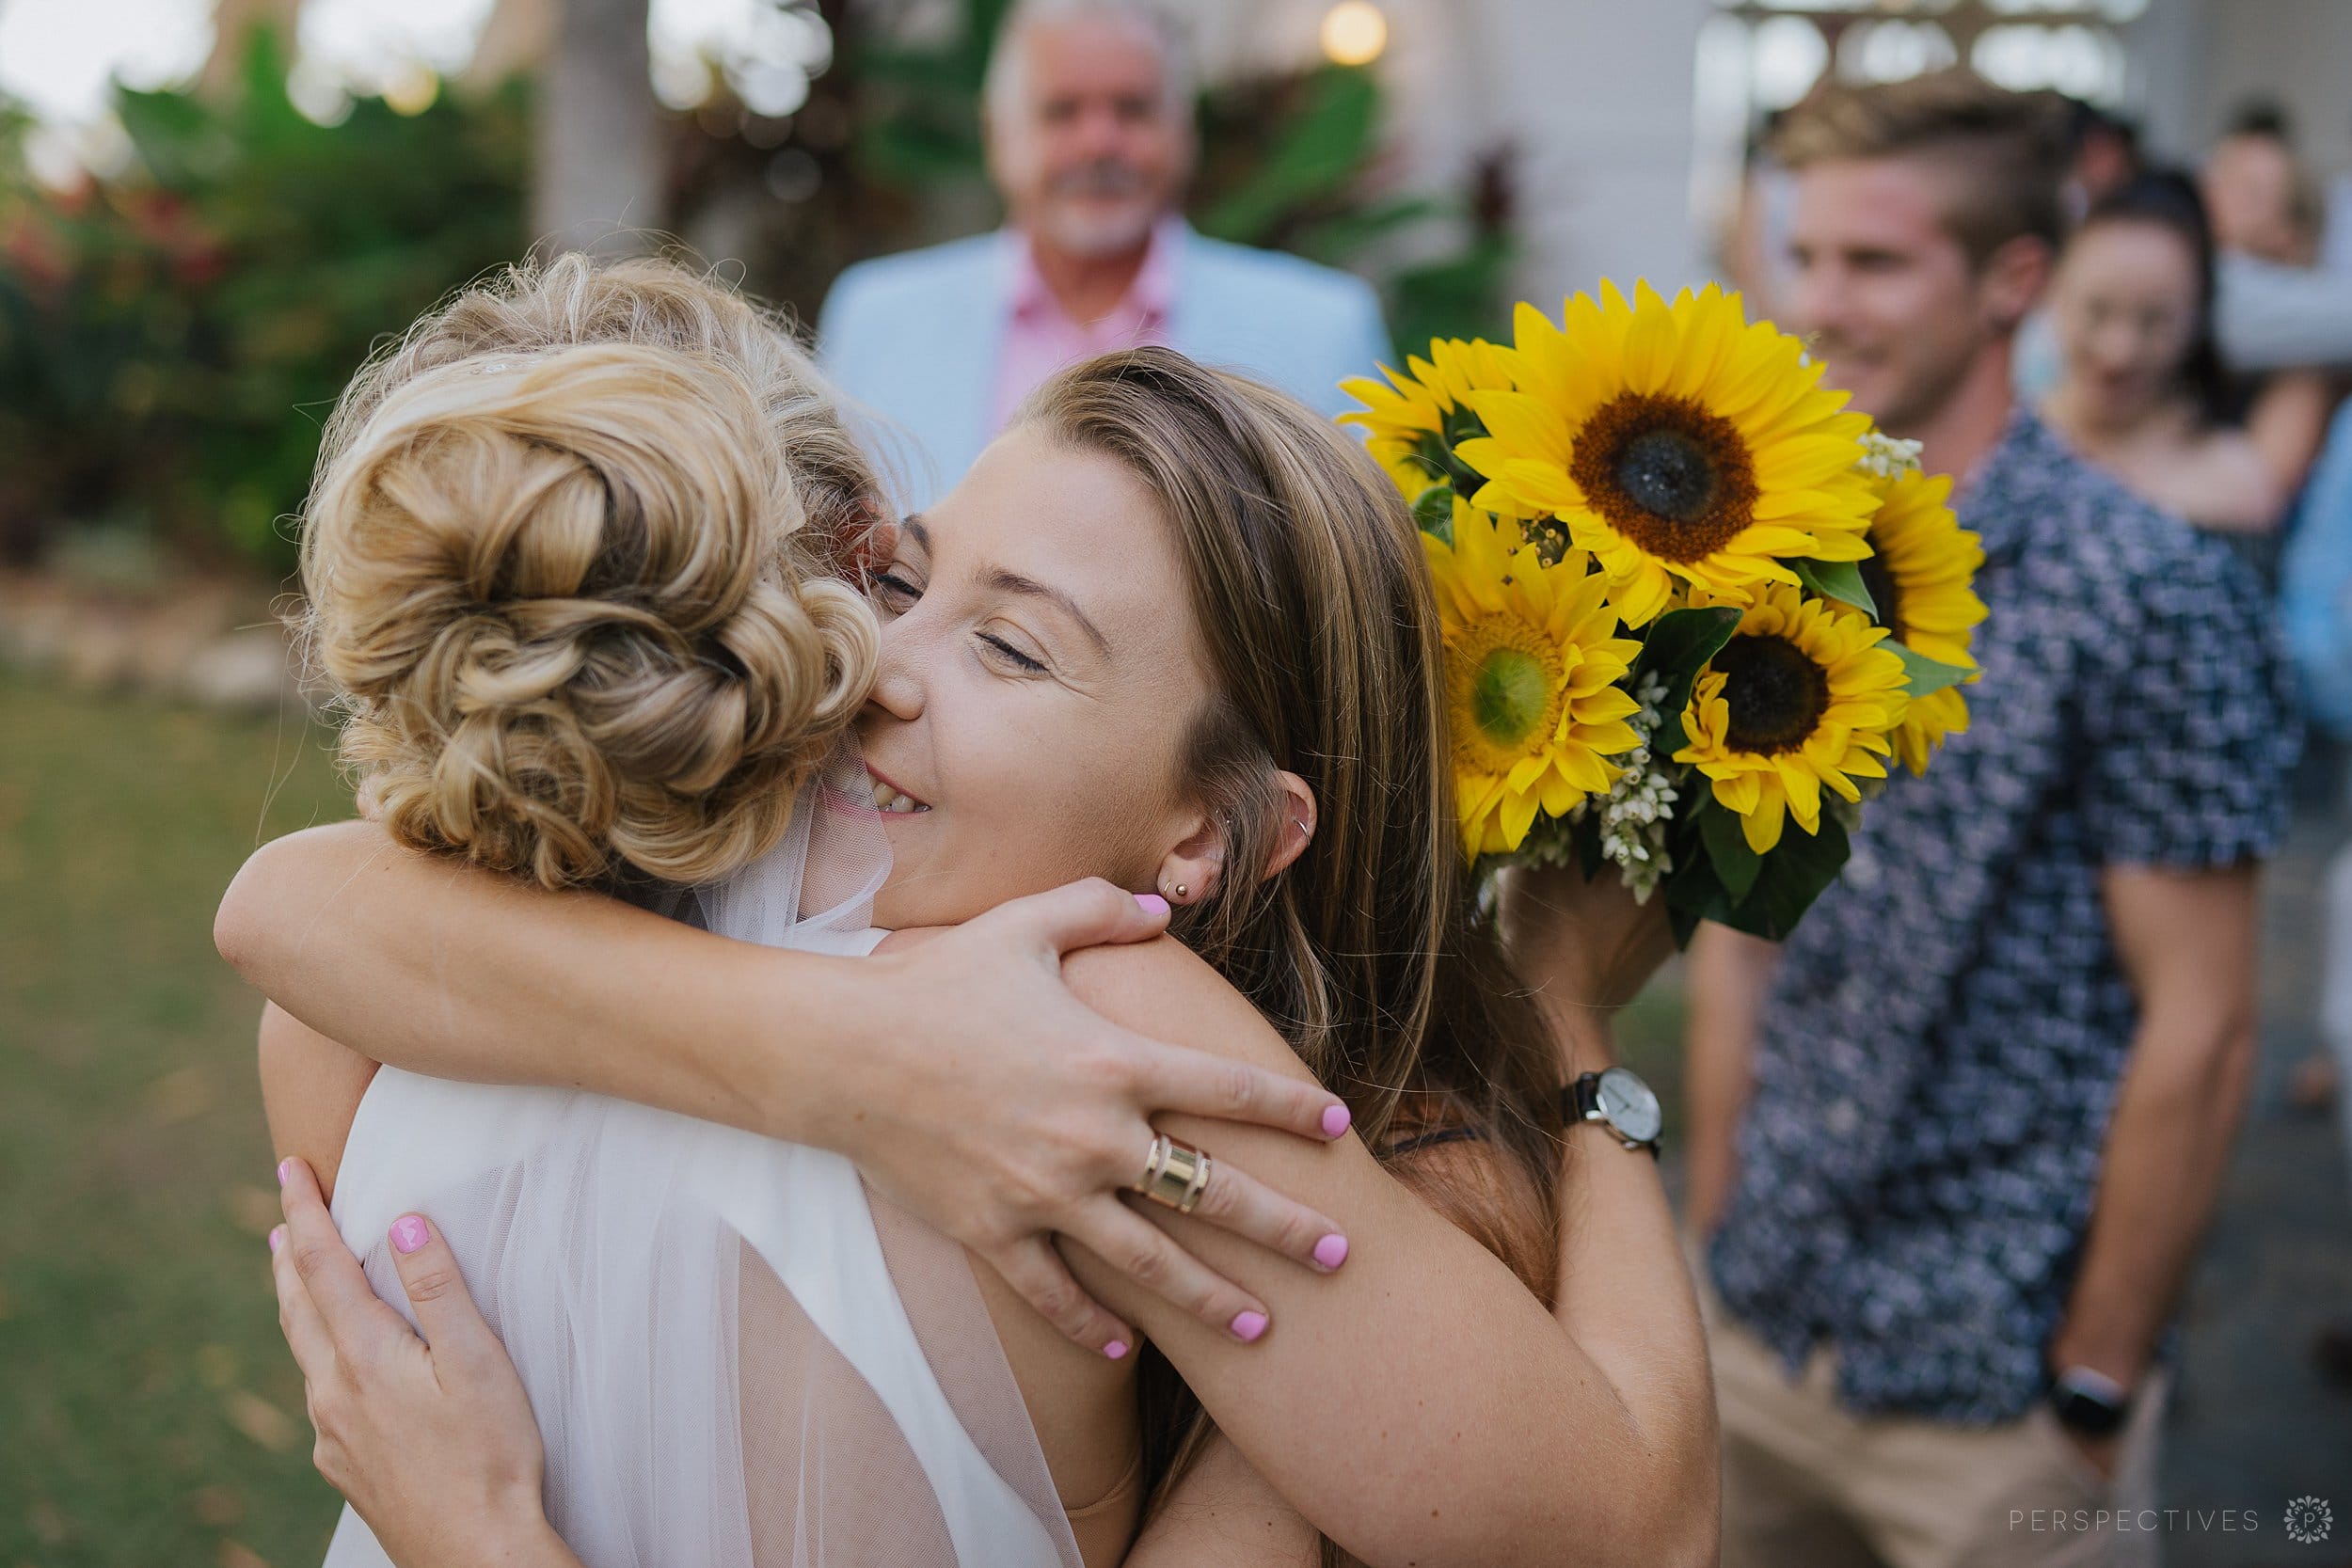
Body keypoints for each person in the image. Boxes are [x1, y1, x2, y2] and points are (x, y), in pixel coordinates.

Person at [221, 277, 1717, 1561]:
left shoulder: (473, 931)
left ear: (1209, 832)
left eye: (1010, 646)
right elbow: (1644, 1525)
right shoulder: (1085, 1038)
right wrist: (1573, 1020)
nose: (875, 664)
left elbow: (288, 910)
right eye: (903, 582)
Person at [1680, 69, 2300, 1568]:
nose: (1819, 302)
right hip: (1757, 1330)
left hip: (1993, 1393)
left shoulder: (2146, 589)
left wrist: (2089, 1384)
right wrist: (1708, 1242)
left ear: (2014, 278)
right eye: (1807, 255)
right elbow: (1736, 936)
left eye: (1876, 262)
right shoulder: (1770, 550)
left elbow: (2202, 1025)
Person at [816, 0, 1390, 507]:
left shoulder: (1322, 328)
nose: (1100, 143)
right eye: (1062, 111)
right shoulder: (876, 318)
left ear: (1183, 134)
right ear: (998, 137)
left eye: (1133, 109)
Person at [2041, 171, 2318, 560]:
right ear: (2054, 295)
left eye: (2154, 321)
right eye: (2097, 311)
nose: (2119, 351)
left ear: (2196, 320)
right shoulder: (1993, 445)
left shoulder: (2235, 485)